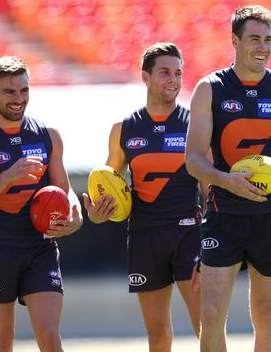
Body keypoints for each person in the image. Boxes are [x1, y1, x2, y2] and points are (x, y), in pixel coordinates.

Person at [185, 5, 271, 352]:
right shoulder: (210, 88)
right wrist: (225, 180)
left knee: (266, 317)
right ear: (234, 41)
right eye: (254, 38)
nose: (263, 46)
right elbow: (193, 160)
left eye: (269, 39)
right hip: (223, 215)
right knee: (211, 315)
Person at [0, 56, 83, 352]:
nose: (18, 99)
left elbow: (65, 191)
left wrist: (75, 216)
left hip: (40, 248)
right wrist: (4, 179)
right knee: (2, 343)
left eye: (24, 91)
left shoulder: (48, 135)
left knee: (50, 336)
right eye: (9, 92)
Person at [83, 42, 201, 352]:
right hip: (144, 236)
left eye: (177, 73)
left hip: (189, 233)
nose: (172, 79)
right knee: (158, 333)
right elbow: (107, 185)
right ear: (145, 77)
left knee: (207, 322)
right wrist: (98, 212)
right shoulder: (123, 129)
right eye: (164, 72)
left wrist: (213, 233)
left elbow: (210, 187)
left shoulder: (196, 125)